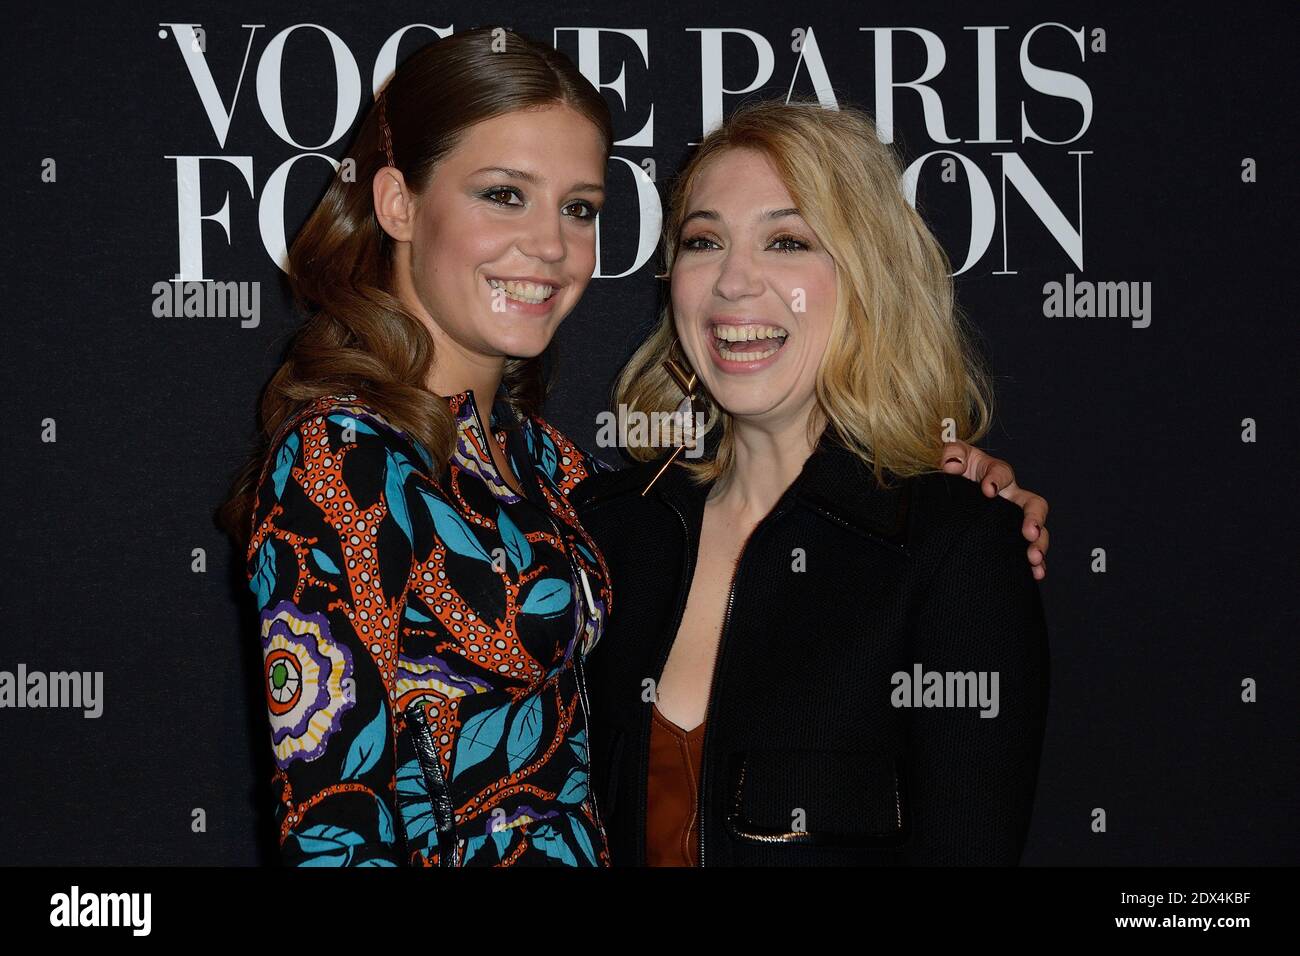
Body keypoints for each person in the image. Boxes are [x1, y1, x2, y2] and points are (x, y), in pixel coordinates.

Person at [219, 28, 1048, 867]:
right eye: (504, 193)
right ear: (398, 203)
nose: (549, 244)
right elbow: (334, 828)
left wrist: (952, 499)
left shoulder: (564, 478)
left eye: (578, 208)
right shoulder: (344, 458)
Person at [572, 98, 1051, 866]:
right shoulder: (607, 531)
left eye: (787, 240)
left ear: (868, 279)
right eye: (704, 241)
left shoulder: (952, 547)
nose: (733, 282)